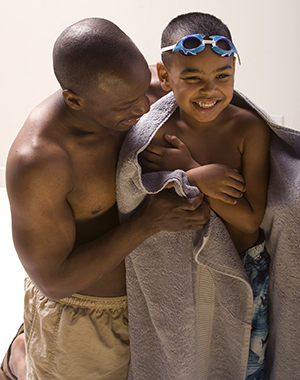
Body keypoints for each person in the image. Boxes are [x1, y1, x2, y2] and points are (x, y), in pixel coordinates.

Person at [0, 17, 210, 380]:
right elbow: (54, 280)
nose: (145, 107)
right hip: (86, 314)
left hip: (152, 297)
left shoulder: (137, 87)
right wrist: (148, 222)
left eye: (144, 89)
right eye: (126, 106)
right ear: (74, 100)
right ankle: (18, 362)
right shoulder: (39, 161)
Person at [118, 12, 271, 379]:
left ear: (234, 69)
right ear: (166, 76)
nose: (210, 90)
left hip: (246, 267)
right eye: (192, 78)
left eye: (223, 75)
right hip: (187, 267)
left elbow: (251, 218)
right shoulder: (155, 132)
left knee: (243, 361)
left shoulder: (248, 128)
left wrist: (190, 170)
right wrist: (194, 176)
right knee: (190, 356)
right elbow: (137, 191)